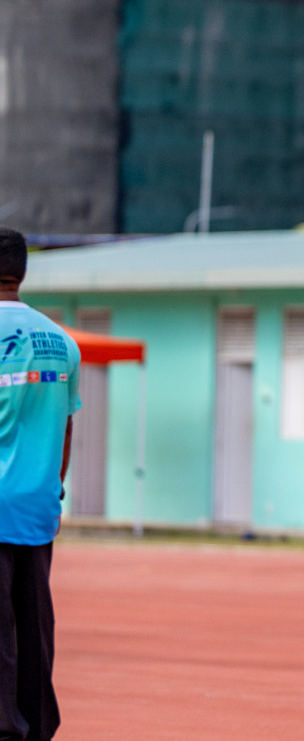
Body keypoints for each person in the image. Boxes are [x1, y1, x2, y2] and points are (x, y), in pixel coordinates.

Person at [0, 227, 80, 740]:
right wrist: (53, 489)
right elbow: (66, 426)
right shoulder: (62, 340)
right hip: (39, 505)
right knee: (33, 625)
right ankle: (36, 726)